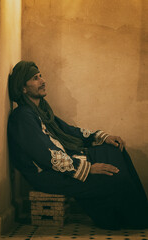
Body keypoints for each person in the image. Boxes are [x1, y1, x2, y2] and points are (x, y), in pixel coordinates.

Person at [8, 60, 148, 230]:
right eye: (35, 78)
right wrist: (88, 168)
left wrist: (103, 137)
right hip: (48, 175)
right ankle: (126, 218)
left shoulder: (41, 110)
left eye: (41, 76)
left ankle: (139, 211)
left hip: (66, 162)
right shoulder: (22, 116)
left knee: (114, 149)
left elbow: (69, 131)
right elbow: (46, 156)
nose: (43, 81)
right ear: (23, 88)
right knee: (116, 179)